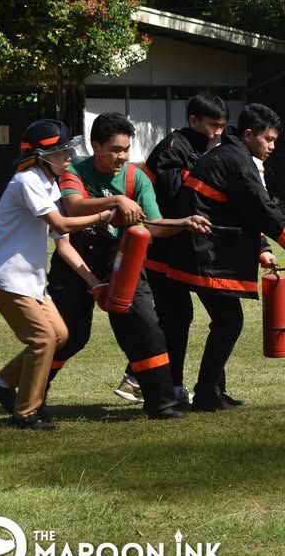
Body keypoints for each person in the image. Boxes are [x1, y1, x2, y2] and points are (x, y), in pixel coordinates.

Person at [43, 112, 211, 420]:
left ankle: (160, 403)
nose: (122, 157)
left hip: (122, 259)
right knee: (70, 334)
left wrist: (185, 223)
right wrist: (117, 201)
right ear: (96, 146)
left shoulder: (138, 178)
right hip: (75, 262)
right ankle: (29, 395)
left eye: (126, 150)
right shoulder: (74, 171)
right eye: (115, 150)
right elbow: (73, 206)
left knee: (146, 327)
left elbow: (155, 226)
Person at [166, 103, 285, 411]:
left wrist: (263, 251)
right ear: (248, 134)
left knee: (225, 320)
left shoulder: (229, 156)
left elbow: (240, 211)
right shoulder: (238, 162)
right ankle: (205, 394)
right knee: (229, 321)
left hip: (198, 249)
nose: (272, 147)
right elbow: (263, 210)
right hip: (203, 252)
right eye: (267, 139)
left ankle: (213, 390)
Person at [0, 120, 120, 429]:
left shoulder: (48, 184)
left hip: (29, 279)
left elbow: (64, 245)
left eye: (69, 149)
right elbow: (60, 225)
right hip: (6, 277)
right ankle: (27, 413)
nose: (69, 156)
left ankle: (3, 384)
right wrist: (104, 214)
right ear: (42, 156)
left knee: (60, 334)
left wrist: (94, 282)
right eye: (61, 151)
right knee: (43, 339)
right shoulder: (26, 180)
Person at [124, 93, 227, 407]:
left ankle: (177, 386)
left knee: (179, 317)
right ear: (193, 120)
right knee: (176, 316)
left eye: (222, 126)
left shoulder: (202, 147)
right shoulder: (174, 148)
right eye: (213, 125)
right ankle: (147, 380)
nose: (218, 132)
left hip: (183, 250)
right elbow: (177, 197)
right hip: (161, 249)